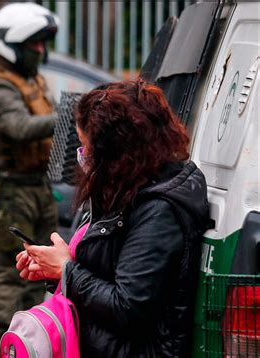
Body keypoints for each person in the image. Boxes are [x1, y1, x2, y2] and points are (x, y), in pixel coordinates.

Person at [16, 80, 211, 356]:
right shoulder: (128, 185)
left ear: (117, 152)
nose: (82, 157)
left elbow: (127, 306)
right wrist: (55, 270)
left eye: (86, 148)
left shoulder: (158, 209)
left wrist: (66, 270)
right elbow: (107, 269)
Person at [0, 3, 59, 341]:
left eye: (41, 43)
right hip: (9, 190)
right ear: (13, 46)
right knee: (11, 271)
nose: (39, 50)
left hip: (37, 185)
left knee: (41, 269)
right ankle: (8, 344)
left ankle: (32, 341)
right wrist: (74, 111)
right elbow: (19, 127)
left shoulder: (31, 79)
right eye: (32, 44)